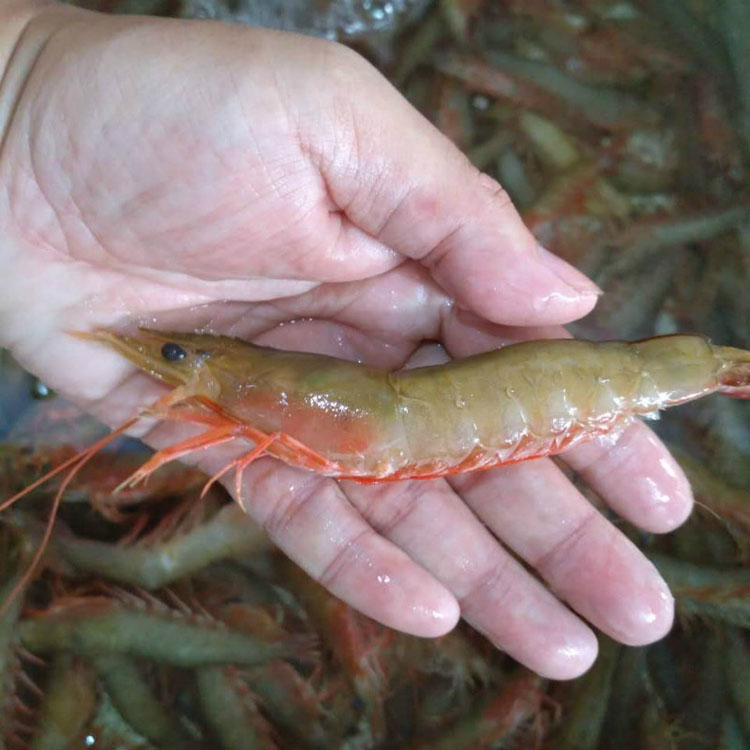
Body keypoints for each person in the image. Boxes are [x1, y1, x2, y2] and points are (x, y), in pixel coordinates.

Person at [0, 0, 692, 679]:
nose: (167, 359)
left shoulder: (247, 387)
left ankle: (709, 368)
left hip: (531, 397)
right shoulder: (249, 386)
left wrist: (24, 86)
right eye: (178, 355)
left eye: (177, 355)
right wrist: (21, 86)